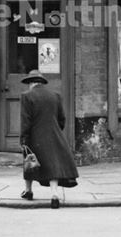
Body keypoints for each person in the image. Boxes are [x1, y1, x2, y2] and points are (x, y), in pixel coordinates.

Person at [19, 69, 78, 208]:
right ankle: (55, 195)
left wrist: (24, 138)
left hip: (34, 135)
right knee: (53, 165)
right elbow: (62, 119)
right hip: (53, 135)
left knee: (30, 162)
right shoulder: (55, 96)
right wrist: (54, 131)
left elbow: (26, 120)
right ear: (41, 83)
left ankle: (28, 191)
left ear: (31, 83)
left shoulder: (27, 96)